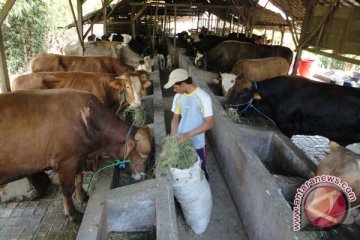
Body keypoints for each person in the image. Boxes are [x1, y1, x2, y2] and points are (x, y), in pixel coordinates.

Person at [164, 68, 213, 180]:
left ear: (183, 84)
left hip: (197, 143)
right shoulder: (178, 97)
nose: (174, 90)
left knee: (201, 170)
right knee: (183, 169)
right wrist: (173, 135)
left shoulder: (203, 97)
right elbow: (175, 118)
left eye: (175, 87)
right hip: (181, 140)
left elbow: (209, 124)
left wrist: (188, 135)